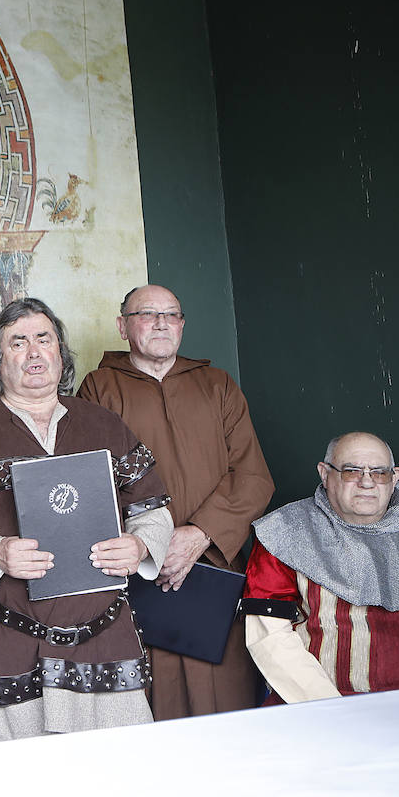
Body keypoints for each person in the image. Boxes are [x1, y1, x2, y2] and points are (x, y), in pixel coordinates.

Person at [0, 299, 173, 741]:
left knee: (121, 773)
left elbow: (153, 510)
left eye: (43, 339)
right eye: (18, 342)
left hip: (103, 635)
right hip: (7, 636)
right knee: (23, 785)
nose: (34, 352)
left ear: (60, 353)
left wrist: (142, 546)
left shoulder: (103, 424)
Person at [77, 284, 273, 719]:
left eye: (172, 315)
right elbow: (89, 482)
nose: (162, 323)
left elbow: (252, 474)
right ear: (122, 326)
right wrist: (151, 544)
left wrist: (199, 535)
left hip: (213, 564)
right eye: (148, 314)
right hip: (139, 569)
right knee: (146, 702)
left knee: (225, 703)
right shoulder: (98, 388)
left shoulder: (216, 384)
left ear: (182, 325)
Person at [242, 432, 399, 702]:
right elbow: (269, 635)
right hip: (315, 710)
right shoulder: (284, 532)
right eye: (351, 471)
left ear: (395, 478)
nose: (367, 482)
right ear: (325, 474)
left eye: (379, 473)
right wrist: (330, 709)